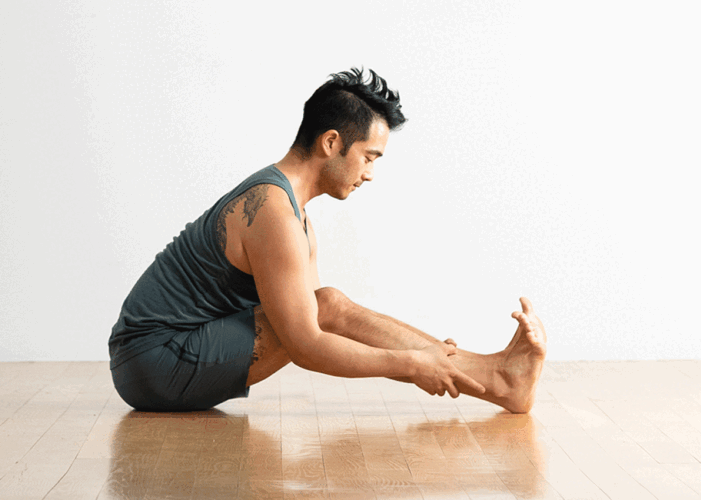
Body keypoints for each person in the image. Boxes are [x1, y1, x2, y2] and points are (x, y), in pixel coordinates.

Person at [108, 68, 547, 413]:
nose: (370, 174)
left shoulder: (291, 210)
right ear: (332, 142)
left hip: (165, 357)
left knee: (327, 304)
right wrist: (416, 362)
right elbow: (307, 345)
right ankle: (497, 378)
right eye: (369, 157)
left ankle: (496, 375)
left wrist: (432, 358)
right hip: (151, 361)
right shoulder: (273, 212)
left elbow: (323, 324)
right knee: (327, 307)